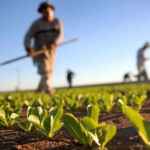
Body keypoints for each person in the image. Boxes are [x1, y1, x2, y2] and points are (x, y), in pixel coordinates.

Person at [24, 1, 64, 95]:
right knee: (45, 69)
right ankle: (49, 90)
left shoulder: (57, 22)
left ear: (52, 11)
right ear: (41, 12)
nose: (47, 13)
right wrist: (28, 48)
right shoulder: (36, 24)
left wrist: (55, 42)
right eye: (44, 11)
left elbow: (60, 35)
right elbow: (28, 36)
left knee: (49, 70)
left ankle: (39, 90)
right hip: (40, 50)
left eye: (49, 11)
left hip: (52, 51)